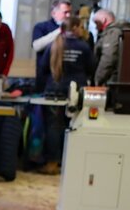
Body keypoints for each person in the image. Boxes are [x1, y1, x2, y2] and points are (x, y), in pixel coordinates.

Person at [35, 17, 94, 175]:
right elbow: (91, 68)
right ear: (74, 28)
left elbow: (43, 68)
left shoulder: (53, 45)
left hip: (54, 91)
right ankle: (70, 161)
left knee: (53, 127)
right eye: (80, 26)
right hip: (76, 93)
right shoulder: (83, 47)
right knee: (73, 126)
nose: (82, 29)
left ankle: (52, 163)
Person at [32, 0, 72, 93]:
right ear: (54, 13)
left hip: (66, 77)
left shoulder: (73, 30)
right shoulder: (41, 27)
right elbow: (37, 46)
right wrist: (60, 31)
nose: (69, 15)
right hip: (45, 77)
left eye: (70, 12)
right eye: (65, 12)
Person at [93, 9, 125, 85]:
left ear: (104, 20)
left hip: (110, 80)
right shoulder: (119, 31)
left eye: (96, 22)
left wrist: (98, 79)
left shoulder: (112, 33)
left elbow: (108, 58)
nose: (96, 27)